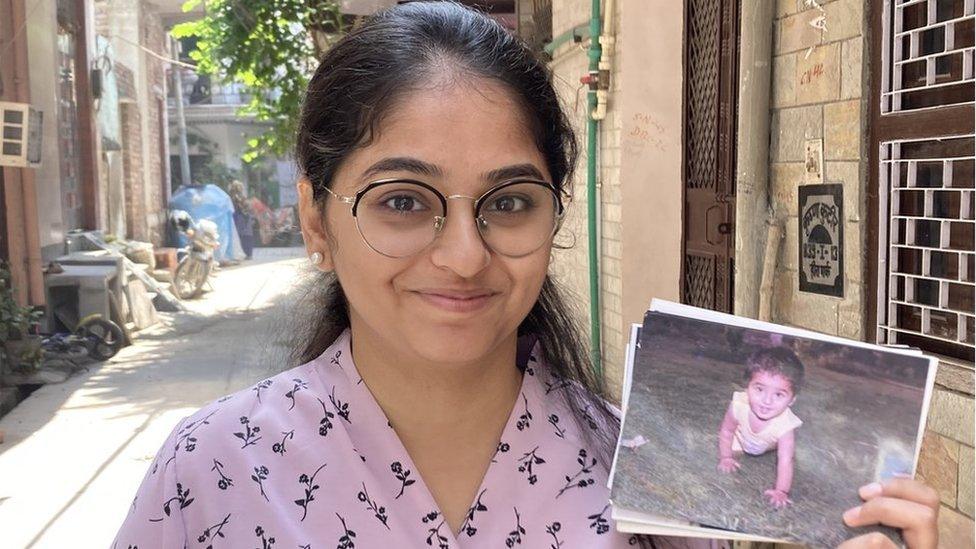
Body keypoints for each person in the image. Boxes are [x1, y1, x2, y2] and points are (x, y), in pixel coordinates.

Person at [112, 3, 939, 549]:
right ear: (317, 219)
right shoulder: (212, 472)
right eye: (404, 200)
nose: (465, 254)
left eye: (509, 203)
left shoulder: (645, 478)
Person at [718, 348, 804, 509]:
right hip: (740, 439)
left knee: (785, 453)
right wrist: (726, 457)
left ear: (792, 400)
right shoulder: (738, 405)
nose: (767, 401)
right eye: (759, 389)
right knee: (732, 459)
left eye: (779, 395)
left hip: (768, 445)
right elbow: (727, 432)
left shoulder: (786, 426)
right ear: (747, 387)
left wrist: (781, 491)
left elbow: (786, 460)